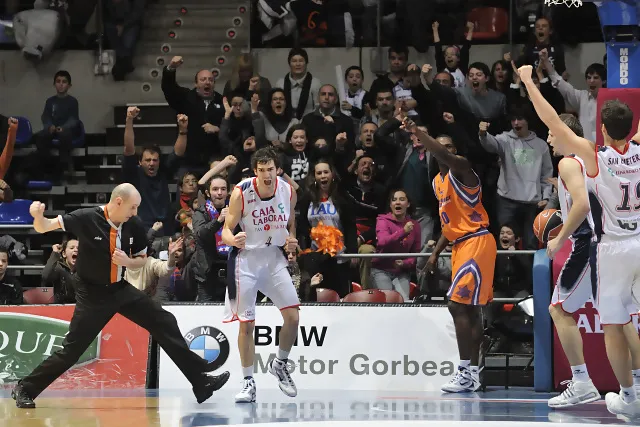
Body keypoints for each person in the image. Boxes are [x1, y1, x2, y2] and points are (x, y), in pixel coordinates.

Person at [11, 184, 229, 409]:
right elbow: (44, 226)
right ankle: (25, 387)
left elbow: (142, 259)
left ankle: (200, 382)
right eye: (132, 207)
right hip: (91, 294)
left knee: (164, 320)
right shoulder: (87, 217)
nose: (135, 212)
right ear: (118, 202)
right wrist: (38, 216)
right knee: (72, 351)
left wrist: (128, 262)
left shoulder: (133, 223)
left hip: (119, 288)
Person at [520, 64, 640, 417]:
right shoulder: (638, 148)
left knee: (613, 325)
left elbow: (551, 120)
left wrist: (527, 80)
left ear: (601, 129)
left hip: (610, 247)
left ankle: (626, 396)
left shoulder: (592, 156)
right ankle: (632, 391)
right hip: (638, 240)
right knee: (629, 321)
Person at [545, 114, 640, 408]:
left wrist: (559, 238)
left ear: (564, 133)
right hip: (615, 242)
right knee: (623, 318)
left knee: (559, 309)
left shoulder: (570, 162)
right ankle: (635, 387)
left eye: (551, 133)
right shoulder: (594, 158)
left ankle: (582, 382)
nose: (549, 139)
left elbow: (583, 204)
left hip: (591, 243)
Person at [403, 120, 497, 393]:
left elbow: (443, 154)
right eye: (441, 147)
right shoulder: (438, 183)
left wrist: (419, 133)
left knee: (456, 305)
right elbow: (449, 224)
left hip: (477, 241)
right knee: (470, 309)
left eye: (449, 147)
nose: (444, 151)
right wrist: (434, 254)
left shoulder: (464, 170)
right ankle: (474, 374)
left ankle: (465, 370)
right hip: (459, 245)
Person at [221, 148, 300, 403]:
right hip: (247, 260)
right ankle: (248, 382)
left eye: (271, 169)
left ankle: (280, 364)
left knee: (293, 317)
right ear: (255, 171)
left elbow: (291, 222)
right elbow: (226, 230)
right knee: (247, 324)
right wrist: (233, 240)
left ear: (278, 169)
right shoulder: (241, 192)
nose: (267, 175)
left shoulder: (288, 191)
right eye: (262, 170)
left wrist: (291, 240)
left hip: (273, 258)